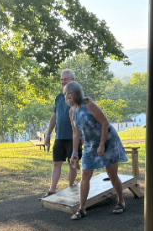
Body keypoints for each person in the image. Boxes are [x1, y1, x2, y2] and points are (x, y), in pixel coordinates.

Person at [64, 81, 128, 220]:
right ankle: (82, 209)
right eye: (66, 93)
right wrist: (75, 153)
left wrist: (102, 144)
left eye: (70, 93)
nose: (67, 95)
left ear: (76, 93)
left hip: (108, 141)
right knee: (85, 175)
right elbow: (76, 133)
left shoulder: (88, 105)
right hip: (89, 144)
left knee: (112, 174)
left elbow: (105, 122)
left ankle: (121, 201)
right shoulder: (71, 111)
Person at [41, 69, 82, 199]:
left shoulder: (80, 96)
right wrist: (48, 135)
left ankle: (71, 188)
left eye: (66, 79)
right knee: (56, 163)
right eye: (62, 80)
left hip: (73, 137)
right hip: (59, 136)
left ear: (72, 80)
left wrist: (83, 137)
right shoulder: (59, 97)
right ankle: (52, 191)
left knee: (72, 163)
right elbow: (54, 117)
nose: (63, 82)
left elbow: (83, 117)